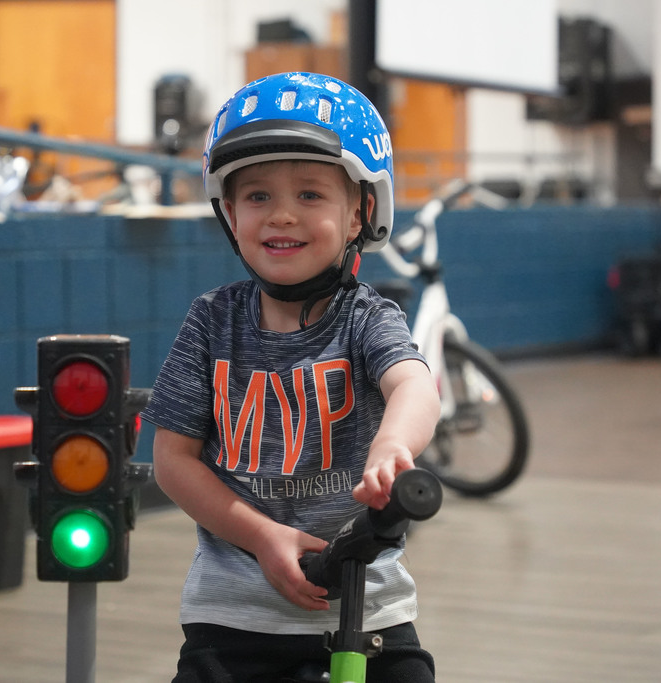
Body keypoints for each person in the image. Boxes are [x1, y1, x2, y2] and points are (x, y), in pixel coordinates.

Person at [141, 72, 441, 682]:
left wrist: (392, 445)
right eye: (257, 197)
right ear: (228, 212)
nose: (281, 215)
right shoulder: (210, 322)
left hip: (367, 609)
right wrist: (257, 535)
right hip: (233, 620)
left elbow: (413, 385)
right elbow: (173, 461)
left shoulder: (365, 318)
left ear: (360, 213)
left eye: (309, 195)